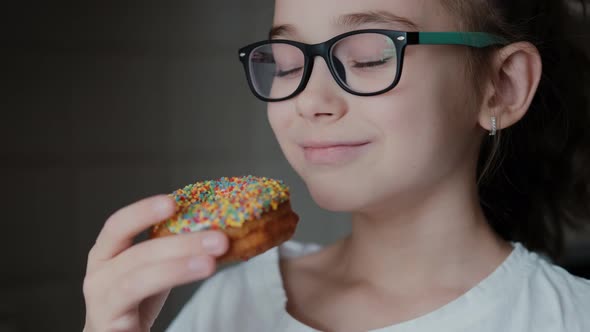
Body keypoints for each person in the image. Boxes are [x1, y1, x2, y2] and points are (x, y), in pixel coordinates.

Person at [83, 0, 590, 331]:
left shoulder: (567, 317)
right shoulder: (231, 304)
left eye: (369, 56)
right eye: (286, 62)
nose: (308, 99)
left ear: (502, 86)